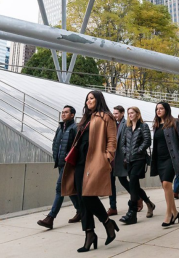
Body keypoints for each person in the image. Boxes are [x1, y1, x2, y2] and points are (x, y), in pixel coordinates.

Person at [61, 91, 119, 253]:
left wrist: (107, 158)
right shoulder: (86, 118)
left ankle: (107, 222)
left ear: (99, 99)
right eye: (87, 99)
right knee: (81, 199)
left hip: (95, 162)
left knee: (87, 196)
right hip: (80, 162)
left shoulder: (106, 116)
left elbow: (112, 140)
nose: (88, 101)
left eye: (92, 98)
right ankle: (89, 234)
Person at [37, 105, 80, 229]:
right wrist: (56, 156)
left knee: (60, 189)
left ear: (72, 115)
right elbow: (55, 142)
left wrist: (68, 158)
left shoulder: (75, 128)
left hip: (69, 164)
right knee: (69, 190)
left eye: (66, 112)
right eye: (62, 112)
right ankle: (81, 211)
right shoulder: (60, 128)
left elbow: (76, 147)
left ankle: (50, 218)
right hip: (60, 163)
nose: (63, 114)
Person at [151, 101, 179, 227]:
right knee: (165, 186)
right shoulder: (156, 124)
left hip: (171, 158)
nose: (159, 111)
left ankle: (168, 213)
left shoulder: (174, 122)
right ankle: (175, 212)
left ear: (166, 109)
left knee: (167, 183)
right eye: (157, 109)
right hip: (159, 159)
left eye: (161, 108)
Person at [119, 107, 155, 225]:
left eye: (132, 113)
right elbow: (123, 143)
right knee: (135, 185)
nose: (130, 115)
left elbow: (147, 141)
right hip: (128, 160)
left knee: (133, 181)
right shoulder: (127, 128)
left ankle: (132, 213)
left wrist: (138, 151)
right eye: (129, 113)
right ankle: (149, 203)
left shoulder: (143, 126)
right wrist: (126, 152)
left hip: (139, 159)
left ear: (138, 114)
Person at [107, 106, 134, 217]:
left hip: (121, 158)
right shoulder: (112, 124)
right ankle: (113, 207)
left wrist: (126, 157)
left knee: (123, 181)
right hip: (112, 158)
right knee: (110, 184)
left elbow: (128, 142)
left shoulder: (126, 124)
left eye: (117, 113)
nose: (114, 115)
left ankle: (137, 198)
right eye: (114, 113)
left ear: (123, 113)